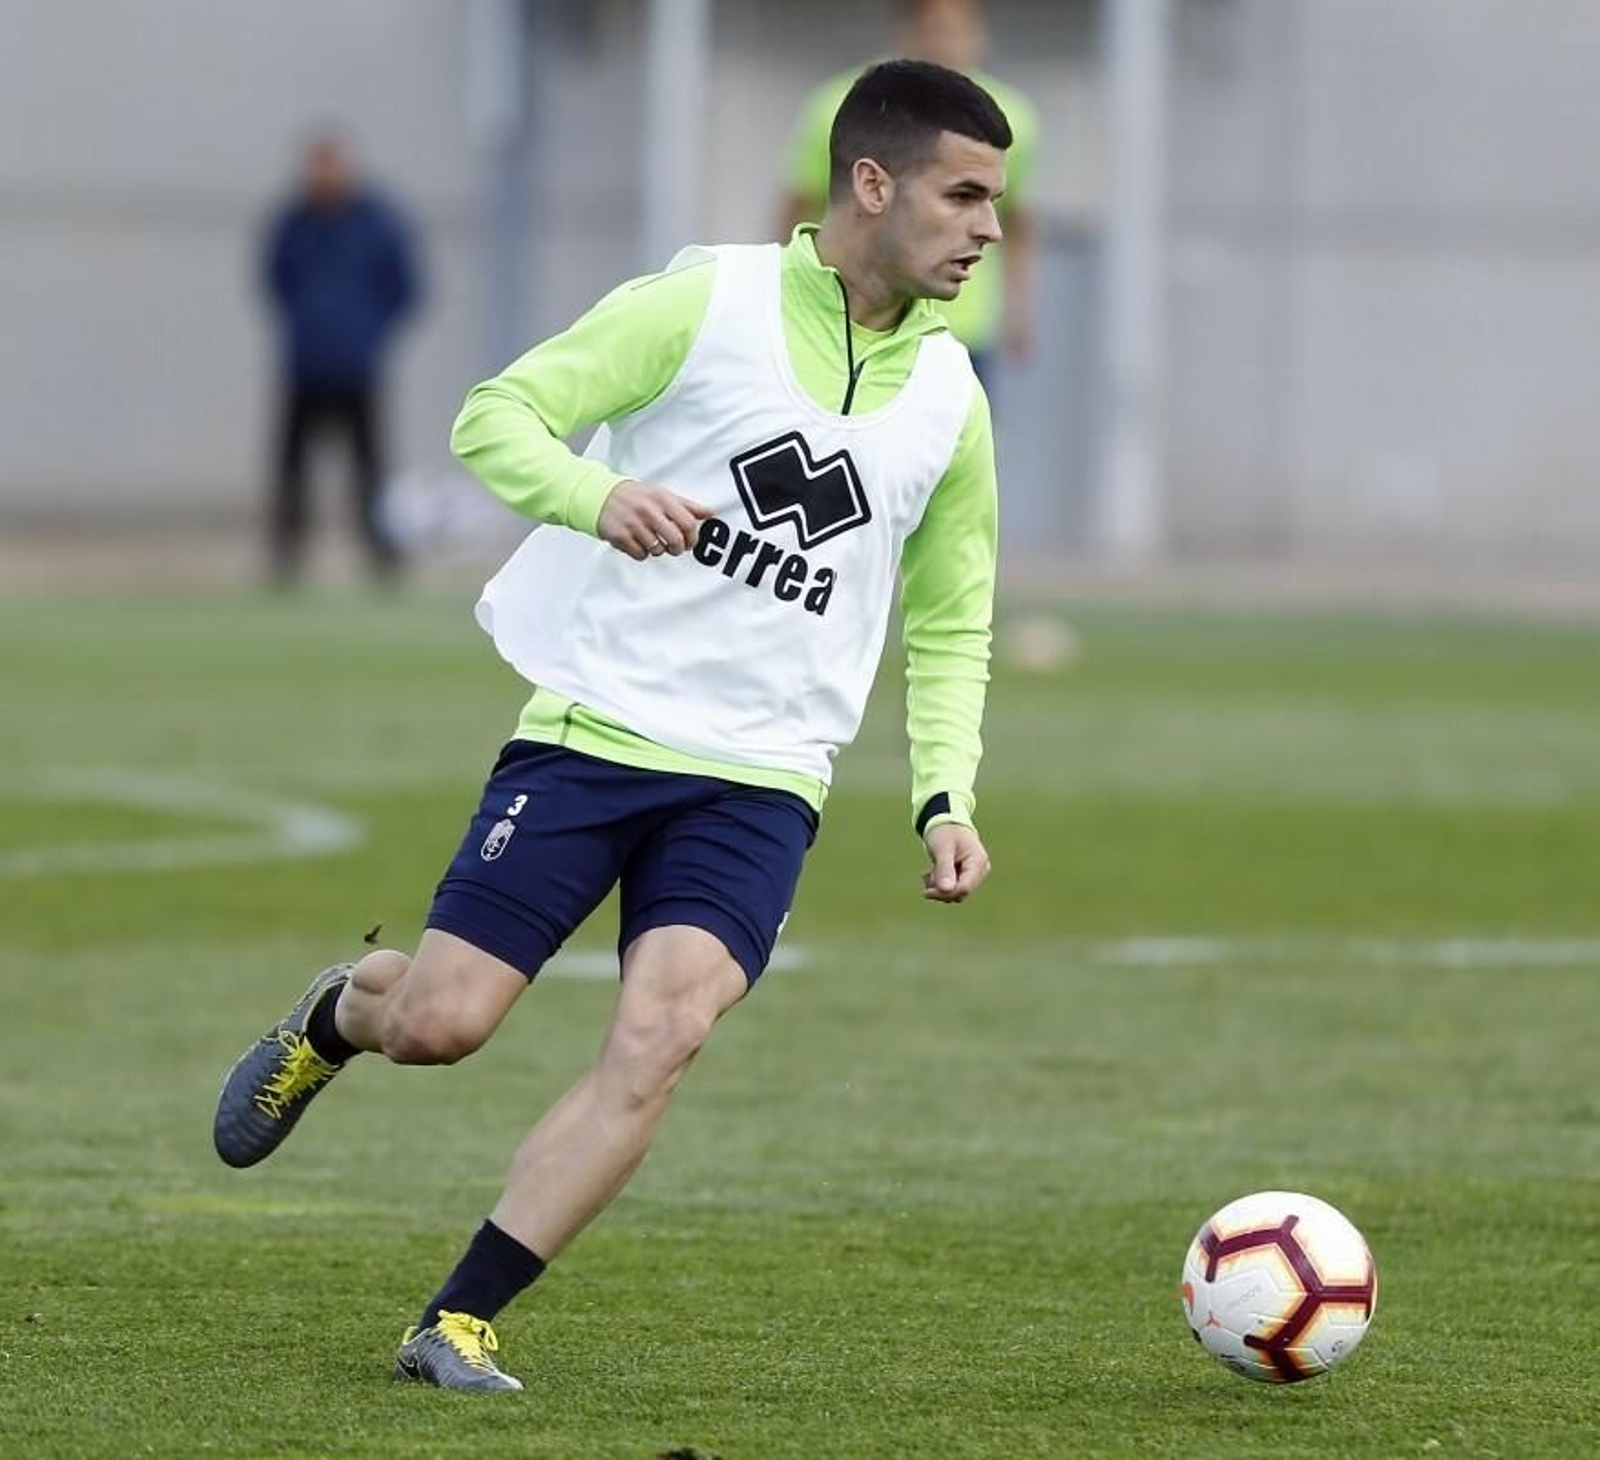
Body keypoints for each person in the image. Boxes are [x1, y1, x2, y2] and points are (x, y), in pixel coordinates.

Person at [214, 59, 1006, 1392]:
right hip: (598, 729)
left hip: (763, 778)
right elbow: (495, 417)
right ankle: (340, 1014)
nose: (989, 228)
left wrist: (945, 797)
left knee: (663, 1033)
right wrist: (598, 497)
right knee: (444, 1022)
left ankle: (457, 1319)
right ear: (872, 184)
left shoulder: (950, 397)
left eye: (994, 201)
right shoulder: (708, 301)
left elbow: (952, 620)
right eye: (964, 195)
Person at [778, 0, 1039, 387]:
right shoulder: (840, 106)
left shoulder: (1011, 118)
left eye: (961, 30)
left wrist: (1020, 309)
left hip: (962, 327)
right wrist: (787, 289)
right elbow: (799, 204)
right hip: (848, 317)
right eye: (937, 29)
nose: (948, 43)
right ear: (906, 30)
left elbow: (1017, 222)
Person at [261, 132, 420, 584]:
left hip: (357, 366)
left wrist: (369, 332)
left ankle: (380, 549)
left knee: (369, 464)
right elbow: (275, 279)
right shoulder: (293, 222)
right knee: (293, 464)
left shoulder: (376, 223)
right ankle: (287, 550)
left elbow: (404, 286)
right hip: (306, 364)